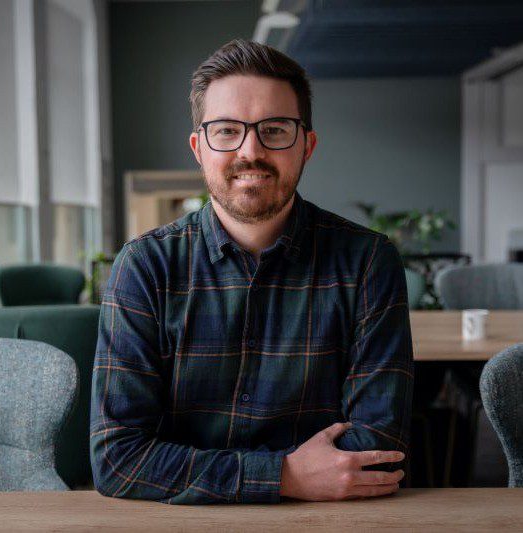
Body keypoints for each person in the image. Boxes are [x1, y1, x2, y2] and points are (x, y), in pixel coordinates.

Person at [90, 39, 413, 504]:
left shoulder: (367, 261)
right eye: (226, 131)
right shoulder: (145, 266)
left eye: (275, 129)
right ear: (199, 148)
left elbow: (377, 451)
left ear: (307, 145)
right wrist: (284, 476)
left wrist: (195, 473)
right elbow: (117, 458)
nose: (251, 151)